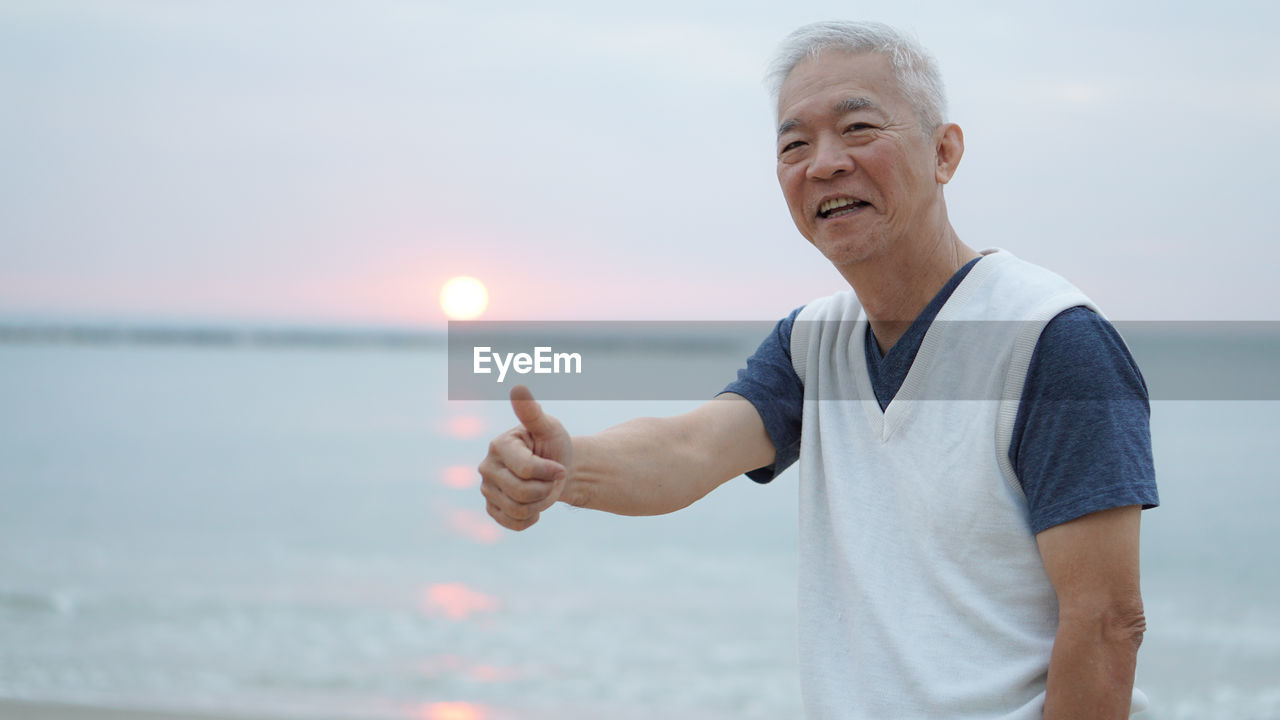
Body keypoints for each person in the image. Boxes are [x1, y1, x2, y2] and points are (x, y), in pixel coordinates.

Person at [477, 20, 1159, 720]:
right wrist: (565, 468)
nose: (824, 164)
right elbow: (689, 449)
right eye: (794, 144)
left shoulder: (1052, 339)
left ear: (945, 152)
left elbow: (1107, 625)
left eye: (859, 128)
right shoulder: (815, 341)